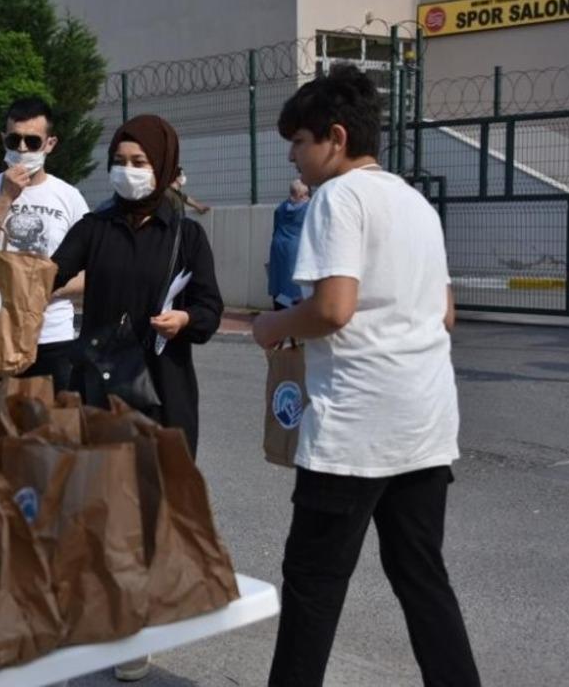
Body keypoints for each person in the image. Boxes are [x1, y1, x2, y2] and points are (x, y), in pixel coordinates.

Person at [252, 65, 479, 687]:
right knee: (421, 577)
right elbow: (446, 313)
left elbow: (332, 308)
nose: (294, 158)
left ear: (335, 136)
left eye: (299, 143)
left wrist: (274, 327)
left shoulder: (338, 197)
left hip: (355, 432)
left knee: (313, 585)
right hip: (425, 424)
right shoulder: (414, 202)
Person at [52, 114, 221, 682]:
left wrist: (185, 319)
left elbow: (211, 308)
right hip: (98, 383)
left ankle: (134, 627)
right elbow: (47, 275)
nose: (127, 172)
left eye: (139, 162)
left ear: (163, 167)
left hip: (163, 389)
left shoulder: (185, 235)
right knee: (100, 504)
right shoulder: (95, 226)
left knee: (149, 511)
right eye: (119, 161)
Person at [0, 97, 89, 392]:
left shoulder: (69, 197)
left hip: (53, 336)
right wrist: (5, 198)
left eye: (32, 141)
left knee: (56, 431)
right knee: (3, 431)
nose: (21, 149)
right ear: (2, 140)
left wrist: (39, 287)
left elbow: (92, 272)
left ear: (49, 144)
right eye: (13, 140)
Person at [266, 180, 309, 308]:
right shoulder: (308, 208)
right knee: (294, 284)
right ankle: (293, 310)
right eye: (307, 193)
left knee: (279, 281)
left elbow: (275, 229)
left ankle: (280, 308)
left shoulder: (280, 208)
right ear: (302, 195)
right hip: (296, 248)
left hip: (278, 247)